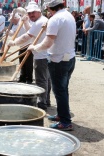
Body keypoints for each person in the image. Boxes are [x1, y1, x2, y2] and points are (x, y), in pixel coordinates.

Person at [27, 0, 76, 131]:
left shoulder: (56, 19)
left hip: (59, 60)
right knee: (63, 89)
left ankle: (65, 122)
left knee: (60, 91)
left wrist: (34, 47)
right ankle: (61, 114)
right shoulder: (69, 15)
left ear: (49, 8)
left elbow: (48, 43)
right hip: (69, 58)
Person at [8, 2, 51, 110]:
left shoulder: (40, 22)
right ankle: (47, 100)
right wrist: (26, 21)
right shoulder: (41, 21)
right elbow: (30, 30)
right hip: (46, 54)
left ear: (39, 12)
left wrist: (14, 43)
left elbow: (27, 36)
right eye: (30, 13)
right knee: (47, 79)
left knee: (41, 80)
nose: (31, 15)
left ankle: (42, 103)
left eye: (33, 13)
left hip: (42, 55)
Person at [9, 12, 33, 84]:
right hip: (21, 46)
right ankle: (22, 78)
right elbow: (13, 33)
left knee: (28, 64)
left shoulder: (23, 22)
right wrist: (8, 32)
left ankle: (29, 79)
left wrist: (14, 42)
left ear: (16, 18)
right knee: (21, 63)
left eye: (12, 20)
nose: (11, 21)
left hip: (28, 45)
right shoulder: (15, 25)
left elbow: (28, 33)